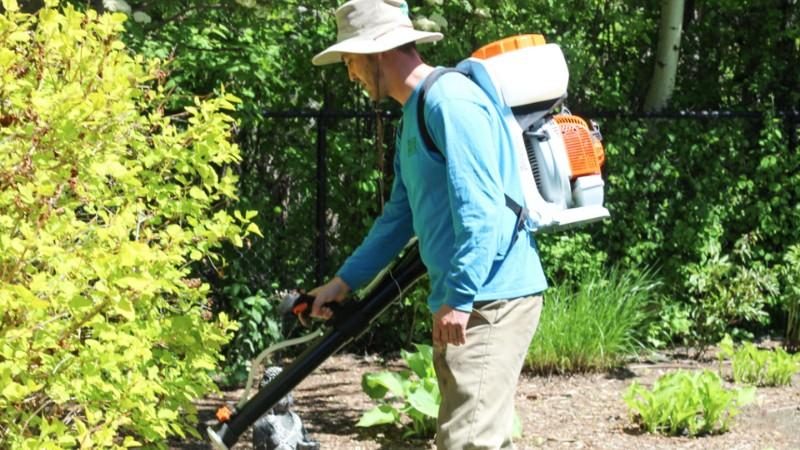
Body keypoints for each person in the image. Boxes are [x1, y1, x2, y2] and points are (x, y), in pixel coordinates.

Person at [308, 1, 548, 448]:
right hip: (469, 297)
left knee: (467, 440)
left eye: (350, 61)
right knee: (474, 434)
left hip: (490, 298)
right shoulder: (414, 114)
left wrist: (459, 297)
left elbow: (481, 212)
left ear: (377, 53)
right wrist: (344, 282)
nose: (350, 74)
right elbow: (399, 218)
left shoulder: (449, 102)